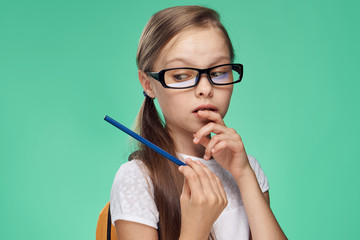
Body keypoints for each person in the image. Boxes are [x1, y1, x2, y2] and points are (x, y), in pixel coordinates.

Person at [110, 5, 287, 240]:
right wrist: (197, 227)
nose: (205, 89)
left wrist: (244, 175)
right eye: (181, 75)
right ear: (148, 84)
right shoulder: (139, 179)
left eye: (219, 72)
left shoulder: (247, 168)